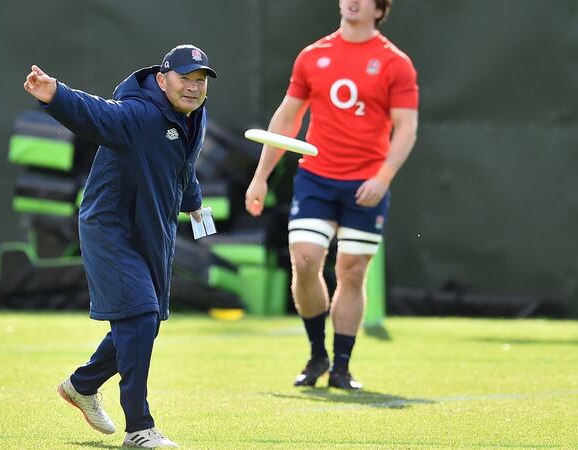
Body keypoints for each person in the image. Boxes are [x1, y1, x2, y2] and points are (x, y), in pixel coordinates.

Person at [23, 44, 217, 448]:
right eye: (185, 79)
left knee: (143, 322)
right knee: (141, 316)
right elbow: (97, 113)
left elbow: (183, 168)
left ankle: (82, 385)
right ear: (162, 80)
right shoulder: (139, 113)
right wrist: (56, 94)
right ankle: (140, 428)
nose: (193, 88)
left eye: (200, 81)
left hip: (153, 227)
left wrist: (196, 208)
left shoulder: (194, 116)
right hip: (111, 228)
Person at [245, 0, 418, 390]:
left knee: (352, 271)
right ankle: (316, 355)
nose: (352, 1)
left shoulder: (395, 63)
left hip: (366, 184)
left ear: (379, 9)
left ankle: (341, 367)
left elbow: (406, 128)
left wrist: (384, 177)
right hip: (316, 179)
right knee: (305, 260)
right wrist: (261, 178)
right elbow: (287, 119)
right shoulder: (313, 56)